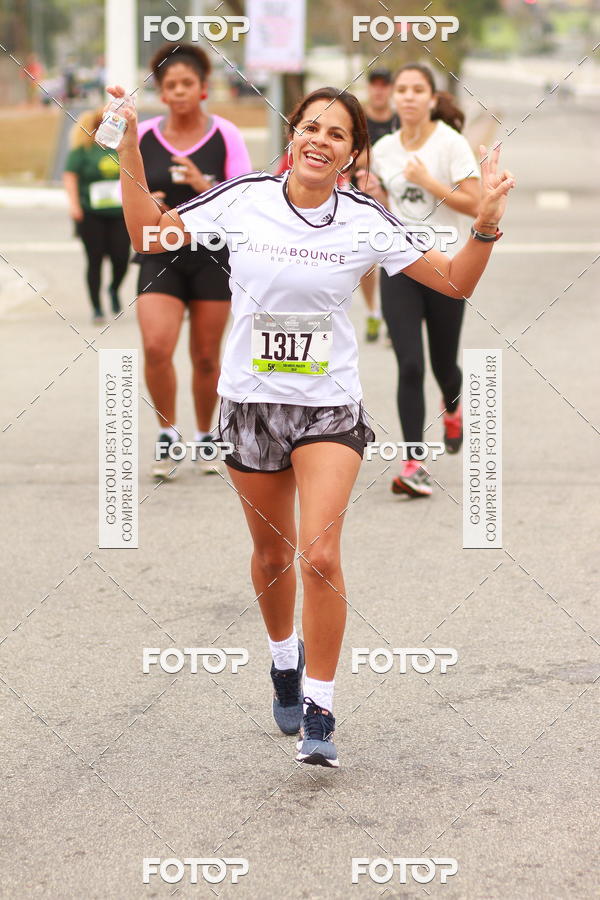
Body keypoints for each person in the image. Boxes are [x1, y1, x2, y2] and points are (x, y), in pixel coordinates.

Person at [106, 81, 514, 768]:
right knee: (271, 558)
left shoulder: (363, 218)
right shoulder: (243, 200)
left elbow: (454, 281)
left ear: (354, 155)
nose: (320, 141)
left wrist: (486, 225)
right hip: (250, 406)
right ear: (292, 136)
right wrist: (126, 152)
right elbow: (151, 232)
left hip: (328, 407)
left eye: (336, 135)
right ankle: (283, 660)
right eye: (311, 128)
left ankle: (320, 708)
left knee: (318, 553)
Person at [358, 64, 482, 498]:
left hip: (447, 266)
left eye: (417, 90)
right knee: (409, 364)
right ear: (393, 98)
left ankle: (453, 406)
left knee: (443, 366)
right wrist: (377, 194)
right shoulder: (385, 148)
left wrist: (429, 181)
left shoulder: (451, 143)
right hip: (401, 266)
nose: (408, 97)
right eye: (402, 90)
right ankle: (413, 462)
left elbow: (477, 204)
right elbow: (390, 207)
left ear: (431, 99)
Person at [134, 42, 252, 479]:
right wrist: (149, 199)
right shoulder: (144, 136)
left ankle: (206, 435)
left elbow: (245, 198)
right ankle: (167, 433)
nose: (179, 91)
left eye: (188, 84)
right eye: (170, 85)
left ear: (204, 88)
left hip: (211, 257)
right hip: (159, 251)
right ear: (161, 92)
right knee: (155, 345)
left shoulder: (226, 134)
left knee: (206, 356)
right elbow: (127, 194)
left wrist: (205, 183)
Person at [63, 109, 130, 323]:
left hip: (119, 213)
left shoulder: (117, 148)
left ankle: (113, 289)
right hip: (91, 214)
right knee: (95, 261)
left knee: (121, 258)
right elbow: (70, 177)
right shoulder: (82, 151)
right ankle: (97, 307)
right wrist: (74, 205)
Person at [355, 68, 400, 343]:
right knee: (366, 263)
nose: (379, 90)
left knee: (394, 260)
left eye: (385, 85)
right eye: (375, 85)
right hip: (361, 198)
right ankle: (374, 311)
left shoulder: (399, 121)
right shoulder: (359, 121)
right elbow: (352, 157)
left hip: (396, 199)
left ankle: (394, 320)